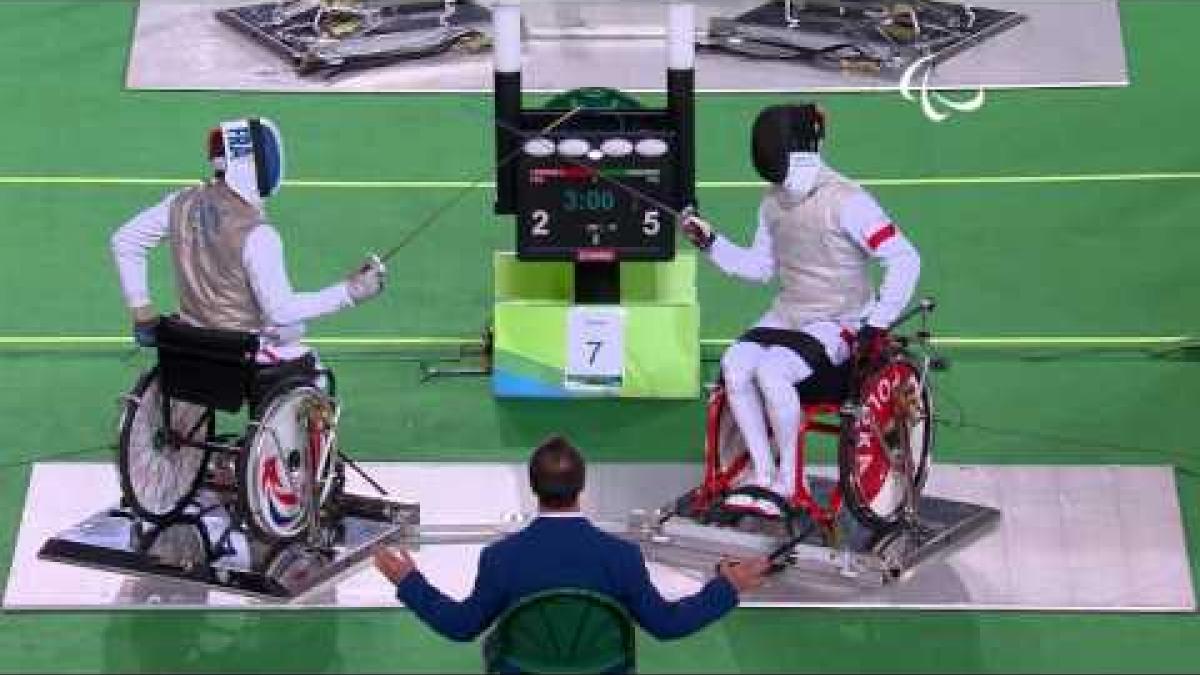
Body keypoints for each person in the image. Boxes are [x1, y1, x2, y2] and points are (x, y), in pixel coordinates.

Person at [681, 103, 921, 516]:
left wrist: (878, 320)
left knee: (771, 371)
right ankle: (763, 474)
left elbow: (904, 258)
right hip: (789, 314)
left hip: (839, 319)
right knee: (736, 364)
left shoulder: (849, 201)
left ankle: (791, 483)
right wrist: (710, 242)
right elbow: (759, 268)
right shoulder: (772, 203)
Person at [373, 435, 770, 642]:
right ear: (582, 487)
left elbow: (461, 626)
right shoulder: (622, 558)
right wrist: (726, 587)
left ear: (532, 488)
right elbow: (668, 625)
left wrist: (409, 582)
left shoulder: (500, 559)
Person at [110, 117, 386, 374]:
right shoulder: (259, 236)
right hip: (238, 350)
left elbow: (125, 240)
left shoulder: (180, 202)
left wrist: (142, 314)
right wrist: (349, 292)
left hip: (187, 337)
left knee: (293, 329)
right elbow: (280, 310)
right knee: (312, 368)